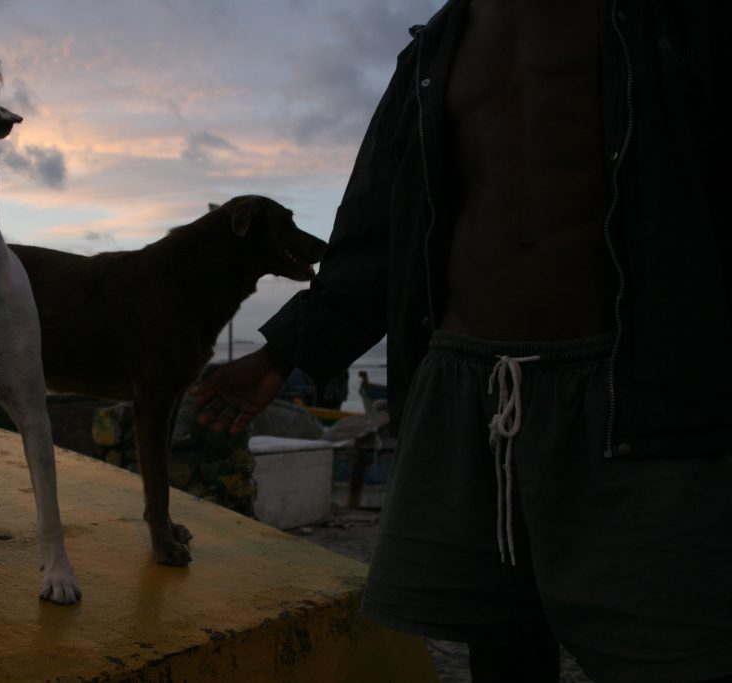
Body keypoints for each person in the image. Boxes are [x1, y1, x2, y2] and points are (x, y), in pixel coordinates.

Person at [191, 2, 732, 682]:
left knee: (677, 646)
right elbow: (376, 238)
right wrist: (282, 352)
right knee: (498, 639)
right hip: (465, 387)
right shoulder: (433, 53)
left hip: (637, 388)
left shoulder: (675, 22)